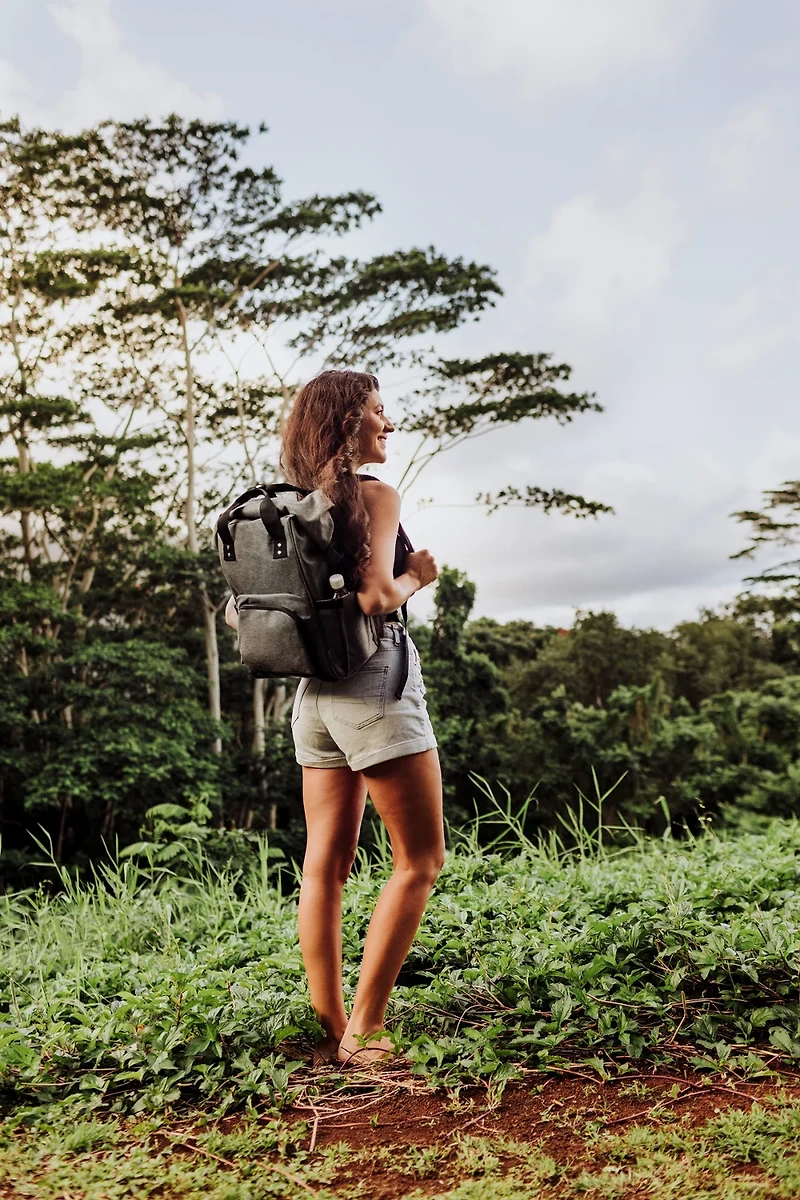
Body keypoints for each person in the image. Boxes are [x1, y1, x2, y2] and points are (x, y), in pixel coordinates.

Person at [225, 369, 444, 1068]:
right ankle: (369, 1034)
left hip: (312, 697)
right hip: (371, 684)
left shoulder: (293, 505)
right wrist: (420, 575)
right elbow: (379, 599)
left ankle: (330, 1027)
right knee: (419, 860)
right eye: (380, 412)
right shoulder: (373, 495)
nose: (389, 425)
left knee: (326, 865)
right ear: (351, 421)